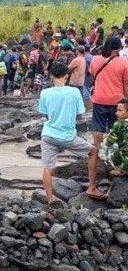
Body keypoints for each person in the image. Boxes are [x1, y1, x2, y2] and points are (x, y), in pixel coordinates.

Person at [39, 61, 100, 205]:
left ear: (51, 75)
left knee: (48, 169)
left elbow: (46, 114)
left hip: (48, 135)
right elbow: (79, 114)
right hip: (68, 136)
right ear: (67, 75)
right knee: (93, 151)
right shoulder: (74, 92)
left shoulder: (45, 93)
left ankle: (50, 201)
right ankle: (91, 187)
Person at [90, 36, 128, 198]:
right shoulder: (124, 62)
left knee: (98, 128)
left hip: (98, 99)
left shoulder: (96, 59)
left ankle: (97, 151)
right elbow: (125, 84)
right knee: (117, 129)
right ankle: (117, 160)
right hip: (116, 101)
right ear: (117, 48)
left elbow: (93, 76)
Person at [105, 98, 128, 176]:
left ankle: (122, 170)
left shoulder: (118, 124)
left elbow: (109, 142)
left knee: (109, 148)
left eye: (120, 110)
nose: (116, 113)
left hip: (126, 158)